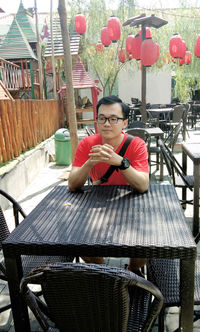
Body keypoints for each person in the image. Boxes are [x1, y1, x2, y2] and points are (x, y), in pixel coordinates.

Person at [68, 95, 149, 274]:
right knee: (80, 243)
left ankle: (133, 271)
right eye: (102, 118)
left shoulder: (137, 145)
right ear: (96, 120)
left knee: (147, 246)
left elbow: (143, 185)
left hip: (132, 206)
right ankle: (104, 273)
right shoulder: (87, 144)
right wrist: (90, 163)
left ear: (125, 123)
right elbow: (73, 185)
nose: (106, 124)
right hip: (98, 207)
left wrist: (121, 162)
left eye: (113, 119)